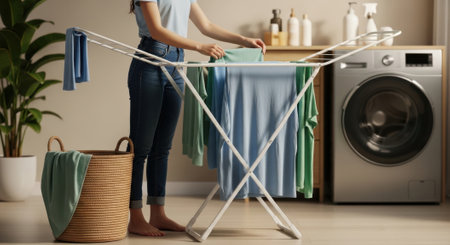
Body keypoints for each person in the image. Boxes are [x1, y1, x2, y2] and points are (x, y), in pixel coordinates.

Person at [127, 0, 266, 237]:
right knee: (140, 147)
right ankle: (136, 217)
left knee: (162, 148)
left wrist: (243, 40)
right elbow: (157, 30)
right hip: (150, 62)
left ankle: (158, 214)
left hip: (176, 64)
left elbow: (206, 25)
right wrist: (199, 47)